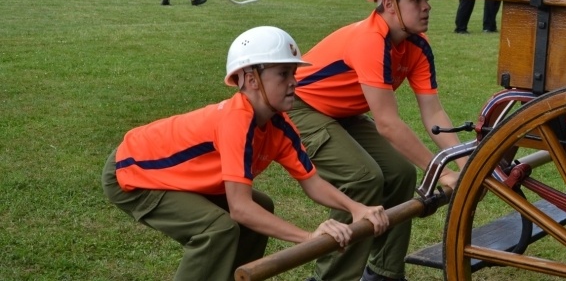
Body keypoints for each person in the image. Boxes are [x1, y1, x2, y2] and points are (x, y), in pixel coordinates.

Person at [102, 26, 389, 281]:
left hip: (171, 174)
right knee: (216, 230)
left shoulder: (280, 124)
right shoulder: (236, 121)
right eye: (282, 74)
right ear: (251, 80)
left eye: (294, 73)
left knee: (260, 207)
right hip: (132, 172)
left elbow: (312, 182)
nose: (294, 82)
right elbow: (239, 208)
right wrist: (308, 238)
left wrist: (356, 209)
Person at [289, 0, 465, 281]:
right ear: (389, 2)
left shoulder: (418, 45)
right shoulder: (371, 41)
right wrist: (440, 172)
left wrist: (463, 162)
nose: (426, 7)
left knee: (399, 173)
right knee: (363, 178)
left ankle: (384, 273)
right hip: (299, 109)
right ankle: (330, 278)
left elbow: (434, 112)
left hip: (343, 113)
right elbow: (387, 123)